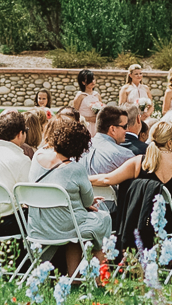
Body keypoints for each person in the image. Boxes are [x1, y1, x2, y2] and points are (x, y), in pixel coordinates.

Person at [93, 115, 172, 233]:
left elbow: (106, 179)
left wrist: (80, 178)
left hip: (147, 227)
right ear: (170, 143)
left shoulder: (139, 162)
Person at [27, 117, 111, 273]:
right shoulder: (75, 169)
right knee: (103, 218)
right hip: (63, 227)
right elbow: (87, 201)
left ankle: (74, 275)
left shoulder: (37, 156)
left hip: (37, 224)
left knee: (76, 220)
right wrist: (88, 202)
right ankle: (97, 274)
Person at [87, 104, 136, 176]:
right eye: (125, 126)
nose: (127, 130)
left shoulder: (78, 149)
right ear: (112, 129)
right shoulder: (124, 155)